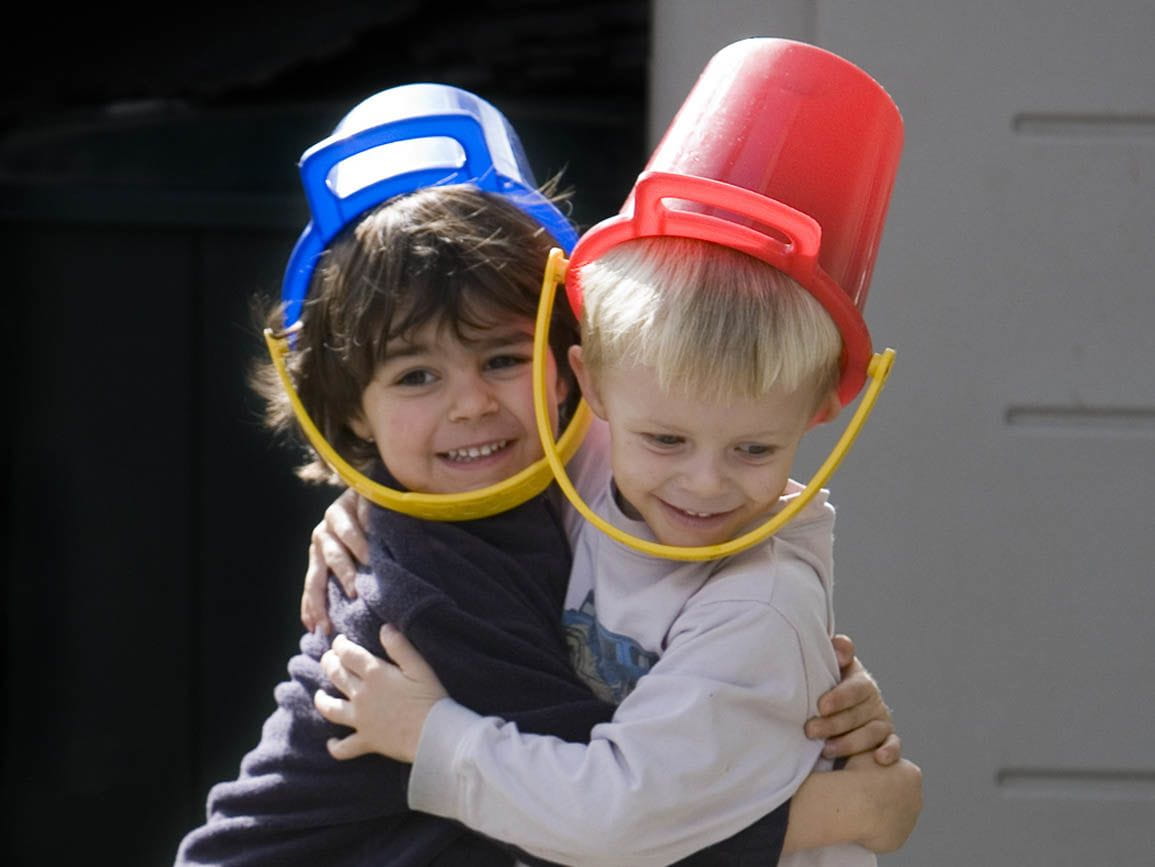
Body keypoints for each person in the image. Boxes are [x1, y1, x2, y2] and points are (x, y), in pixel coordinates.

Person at [175, 82, 908, 867]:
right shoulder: (427, 596)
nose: (471, 405)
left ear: (565, 369)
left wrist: (798, 685)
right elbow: (611, 821)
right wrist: (838, 808)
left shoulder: (581, 474)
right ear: (351, 409)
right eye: (417, 376)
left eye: (501, 359)